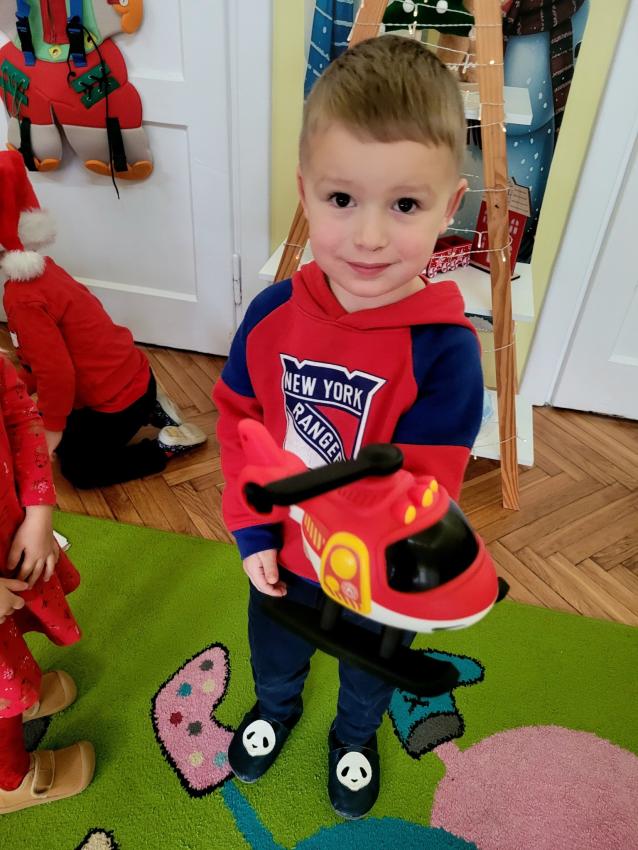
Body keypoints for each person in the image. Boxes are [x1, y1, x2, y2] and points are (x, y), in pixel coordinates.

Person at [213, 35, 484, 819]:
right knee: (274, 647)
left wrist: (370, 555)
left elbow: (425, 495)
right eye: (342, 200)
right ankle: (276, 708)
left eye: (405, 205)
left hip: (376, 578)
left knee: (369, 670)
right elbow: (240, 421)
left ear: (449, 205)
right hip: (283, 553)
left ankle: (355, 736)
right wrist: (253, 531)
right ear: (305, 193)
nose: (369, 238)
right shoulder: (272, 315)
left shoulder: (445, 352)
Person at [0, 150, 206, 490]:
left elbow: (56, 374)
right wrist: (16, 386)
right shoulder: (44, 272)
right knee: (61, 434)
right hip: (134, 379)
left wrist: (51, 429)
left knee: (79, 469)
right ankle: (150, 406)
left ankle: (162, 449)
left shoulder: (23, 300)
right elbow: (46, 364)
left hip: (117, 402)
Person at [0, 355, 94, 814]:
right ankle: (9, 780)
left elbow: (21, 416)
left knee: (10, 646)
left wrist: (39, 511)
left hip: (12, 539)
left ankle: (17, 696)